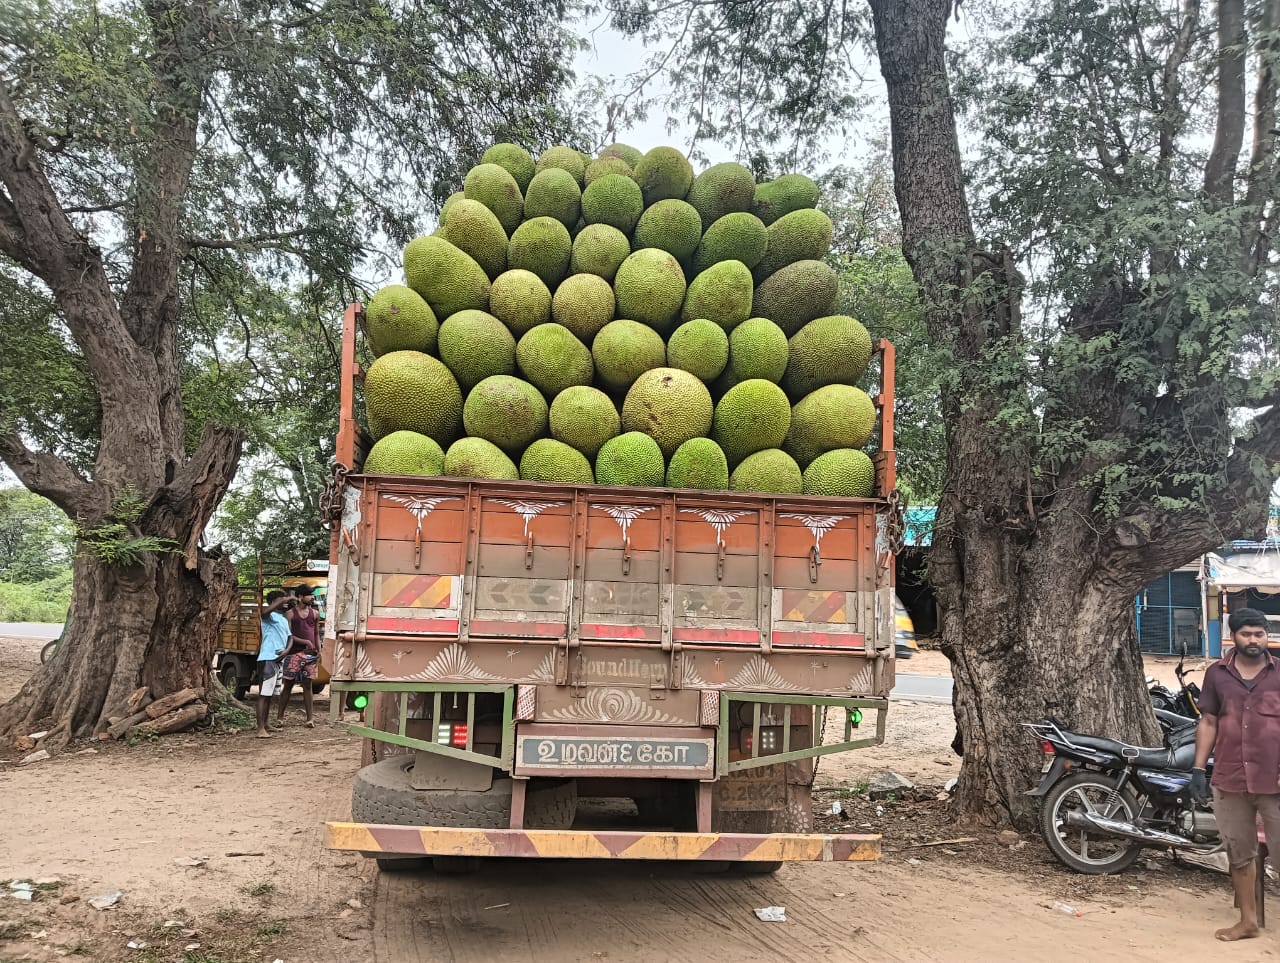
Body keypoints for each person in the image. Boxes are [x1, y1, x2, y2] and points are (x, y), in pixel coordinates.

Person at [1191, 607, 1280, 941]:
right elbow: (1209, 721)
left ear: (1266, 635)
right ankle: (1248, 922)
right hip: (1230, 778)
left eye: (1259, 633)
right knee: (1239, 853)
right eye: (1247, 634)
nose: (1254, 640)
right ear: (1234, 636)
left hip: (1274, 781)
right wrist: (1199, 769)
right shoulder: (1216, 674)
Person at [275, 584, 320, 729]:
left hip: (310, 655)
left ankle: (309, 718)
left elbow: (316, 634)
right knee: (288, 685)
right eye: (309, 595)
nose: (312, 597)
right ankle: (280, 717)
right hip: (293, 653)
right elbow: (289, 635)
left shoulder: (315, 614)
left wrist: (319, 649)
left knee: (308, 684)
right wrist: (305, 641)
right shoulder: (290, 614)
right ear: (300, 596)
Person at [256, 589, 294, 738]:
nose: (284, 603)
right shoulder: (268, 616)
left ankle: (266, 723)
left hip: (279, 658)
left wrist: (286, 651)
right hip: (268, 658)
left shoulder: (283, 619)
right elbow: (264, 612)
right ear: (273, 602)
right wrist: (284, 600)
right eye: (280, 600)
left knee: (271, 694)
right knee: (264, 694)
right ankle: (260, 729)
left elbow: (290, 637)